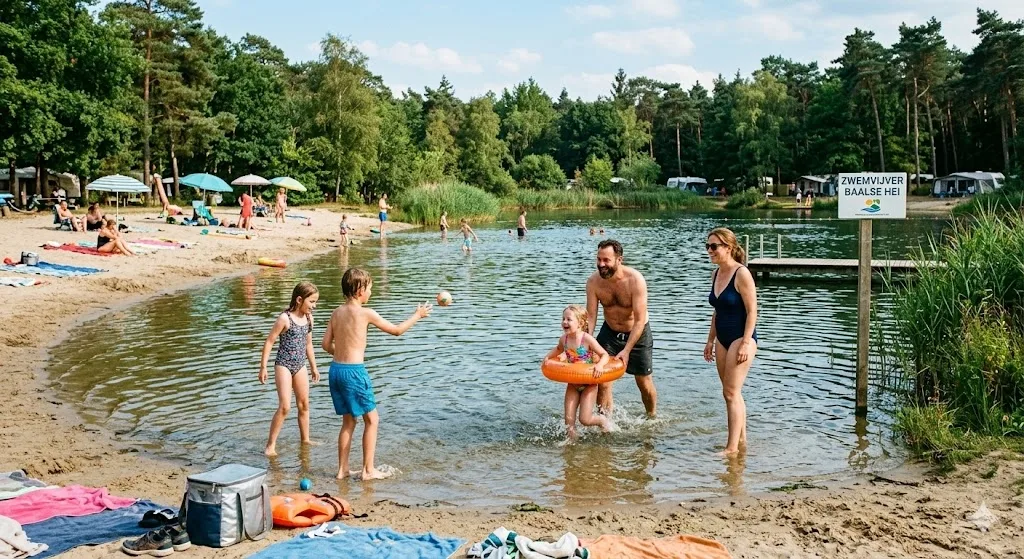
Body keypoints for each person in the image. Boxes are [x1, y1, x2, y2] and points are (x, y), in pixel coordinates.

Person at [321, 268, 432, 480]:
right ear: (360, 290)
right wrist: (417, 315)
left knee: (348, 422)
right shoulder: (366, 313)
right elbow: (397, 331)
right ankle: (368, 470)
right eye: (370, 288)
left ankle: (342, 469)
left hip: (336, 371)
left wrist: (343, 353)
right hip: (354, 372)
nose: (371, 292)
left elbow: (325, 344)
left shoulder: (336, 312)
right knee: (372, 420)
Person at [586, 239, 656, 416]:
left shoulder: (635, 280)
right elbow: (591, 316)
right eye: (599, 259)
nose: (601, 264)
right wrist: (586, 341)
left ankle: (651, 417)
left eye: (606, 260)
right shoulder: (594, 282)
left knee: (643, 382)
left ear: (619, 259)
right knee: (602, 379)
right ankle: (605, 423)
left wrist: (626, 350)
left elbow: (640, 320)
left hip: (637, 333)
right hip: (609, 333)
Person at [704, 227, 758, 455]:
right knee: (730, 392)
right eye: (707, 246)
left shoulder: (741, 273)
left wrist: (746, 342)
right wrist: (710, 340)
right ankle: (742, 440)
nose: (710, 251)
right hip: (722, 338)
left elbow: (753, 310)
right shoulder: (716, 274)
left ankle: (731, 448)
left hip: (740, 337)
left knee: (730, 392)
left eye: (714, 246)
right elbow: (717, 311)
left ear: (729, 247)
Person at [259, 282, 321, 457]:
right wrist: (263, 366)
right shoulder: (285, 319)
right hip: (283, 365)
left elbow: (309, 344)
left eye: (315, 302)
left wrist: (313, 367)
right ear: (299, 299)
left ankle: (305, 439)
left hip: (300, 365)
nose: (314, 306)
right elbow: (270, 341)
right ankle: (270, 445)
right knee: (285, 406)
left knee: (304, 404)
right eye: (312, 302)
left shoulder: (309, 319)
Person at [546, 305, 613, 440]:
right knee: (569, 424)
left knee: (585, 419)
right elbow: (558, 349)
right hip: (573, 385)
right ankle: (572, 451)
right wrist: (547, 358)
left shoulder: (586, 339)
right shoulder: (563, 339)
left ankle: (602, 421)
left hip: (589, 385)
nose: (565, 322)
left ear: (580, 323)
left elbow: (604, 354)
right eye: (563, 319)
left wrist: (599, 365)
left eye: (569, 319)